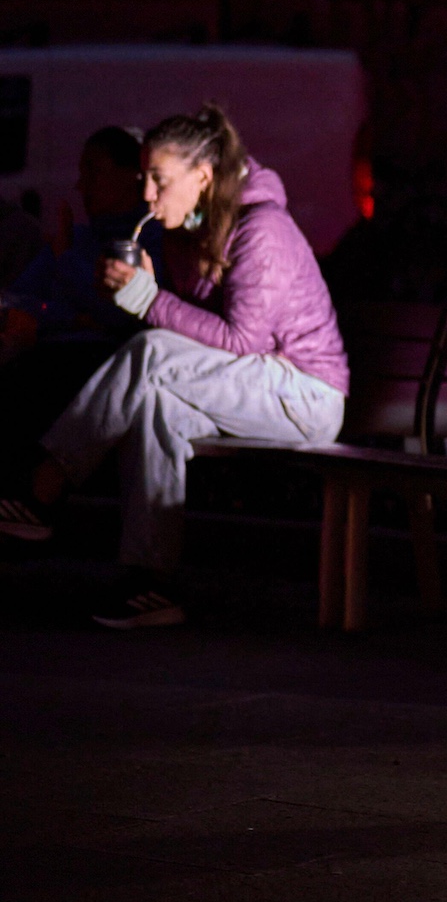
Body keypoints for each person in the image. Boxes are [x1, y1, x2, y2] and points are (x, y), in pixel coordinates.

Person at [0, 105, 348, 629]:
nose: (147, 196)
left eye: (159, 181)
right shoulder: (187, 231)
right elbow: (198, 328)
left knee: (153, 350)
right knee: (155, 407)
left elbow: (241, 341)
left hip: (305, 394)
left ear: (203, 178)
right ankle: (151, 584)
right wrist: (141, 284)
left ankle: (44, 485)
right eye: (144, 180)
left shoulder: (263, 229)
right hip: (250, 384)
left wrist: (150, 301)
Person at [0, 127, 162, 490]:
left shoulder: (147, 240)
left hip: (101, 363)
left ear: (132, 174)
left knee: (31, 377)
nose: (80, 185)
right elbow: (23, 297)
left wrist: (57, 309)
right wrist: (60, 315)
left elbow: (120, 316)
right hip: (54, 347)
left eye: (93, 171)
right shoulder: (79, 236)